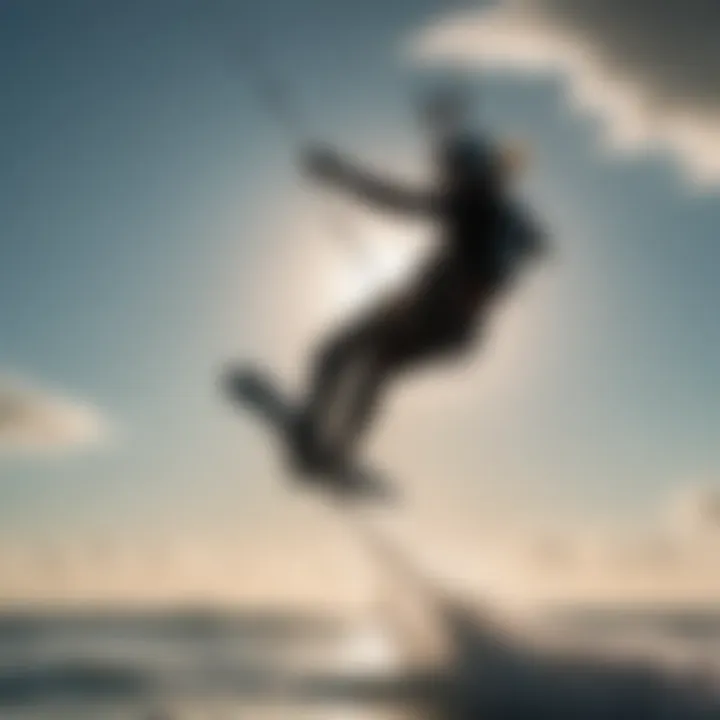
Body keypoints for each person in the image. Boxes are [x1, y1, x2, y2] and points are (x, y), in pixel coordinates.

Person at [291, 87, 547, 476]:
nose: (446, 178)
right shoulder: (495, 212)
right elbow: (534, 244)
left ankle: (317, 436)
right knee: (369, 366)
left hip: (431, 316)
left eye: (452, 172)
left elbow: (397, 200)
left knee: (340, 354)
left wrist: (340, 174)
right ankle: (335, 448)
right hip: (447, 326)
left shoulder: (472, 206)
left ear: (468, 173)